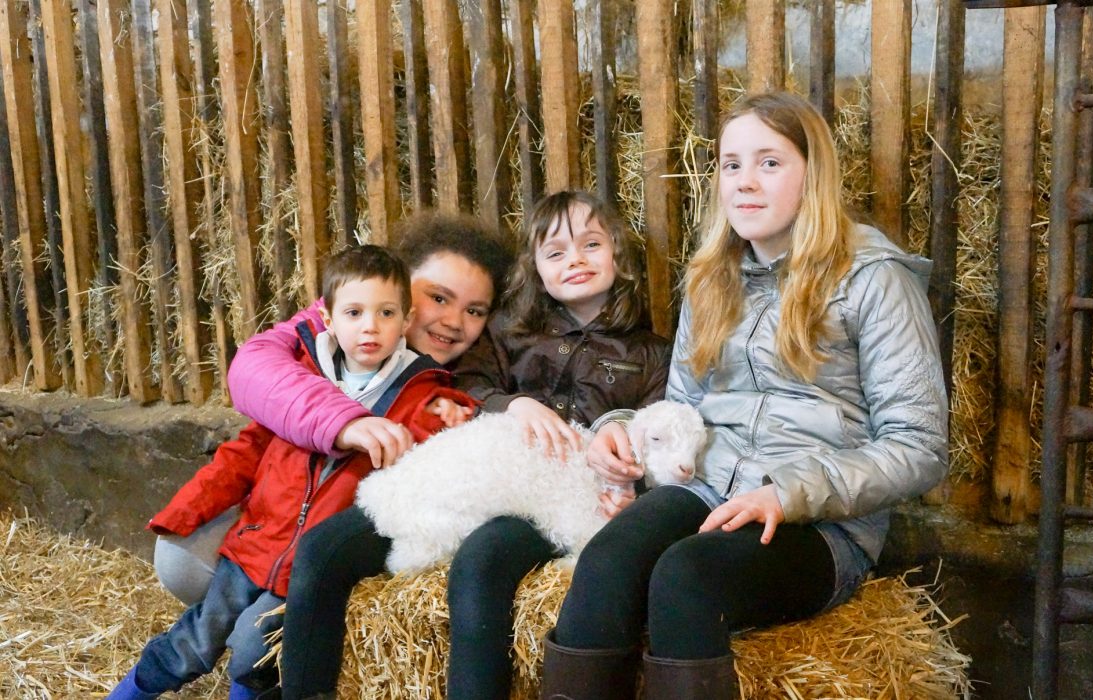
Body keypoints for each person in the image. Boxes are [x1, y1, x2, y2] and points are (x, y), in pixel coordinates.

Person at [539, 92, 949, 700]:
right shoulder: (711, 277)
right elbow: (680, 408)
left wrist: (787, 492)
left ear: (814, 174)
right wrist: (621, 432)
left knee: (686, 577)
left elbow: (919, 447)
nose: (744, 182)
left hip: (820, 520)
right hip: (709, 487)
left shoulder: (874, 279)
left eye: (769, 163)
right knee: (608, 559)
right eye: (731, 165)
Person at [232, 190, 672, 700]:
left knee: (482, 560)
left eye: (591, 245)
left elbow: (659, 431)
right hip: (473, 482)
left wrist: (627, 476)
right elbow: (470, 383)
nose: (575, 260)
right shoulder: (509, 331)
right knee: (324, 548)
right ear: (534, 268)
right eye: (556, 252)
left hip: (557, 502)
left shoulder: (651, 352)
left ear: (619, 251)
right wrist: (514, 404)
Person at [108, 246, 478, 700]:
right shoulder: (303, 373)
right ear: (328, 319)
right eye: (355, 313)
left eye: (385, 313)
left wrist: (454, 410)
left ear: (406, 321)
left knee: (252, 649)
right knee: (194, 640)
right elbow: (245, 452)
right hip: (255, 543)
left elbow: (435, 441)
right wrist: (188, 509)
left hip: (306, 567)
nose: (370, 326)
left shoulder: (417, 392)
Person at [152, 213, 513, 605]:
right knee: (182, 559)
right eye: (438, 298)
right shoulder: (337, 331)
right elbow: (252, 370)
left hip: (349, 537)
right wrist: (343, 422)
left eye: (475, 311)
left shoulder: (465, 372)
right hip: (287, 516)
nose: (453, 321)